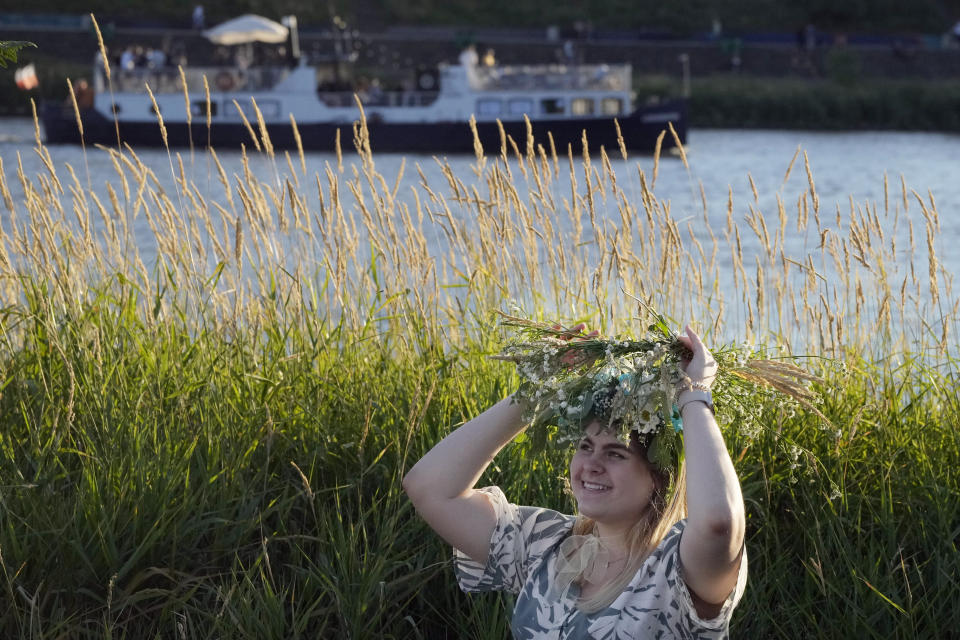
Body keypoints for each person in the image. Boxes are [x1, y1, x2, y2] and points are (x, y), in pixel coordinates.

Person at [403, 324, 747, 638]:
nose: (591, 465)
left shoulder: (676, 568)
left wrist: (695, 393)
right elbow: (429, 487)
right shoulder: (545, 543)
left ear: (659, 476)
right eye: (586, 446)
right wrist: (543, 387)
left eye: (615, 453)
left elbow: (720, 522)